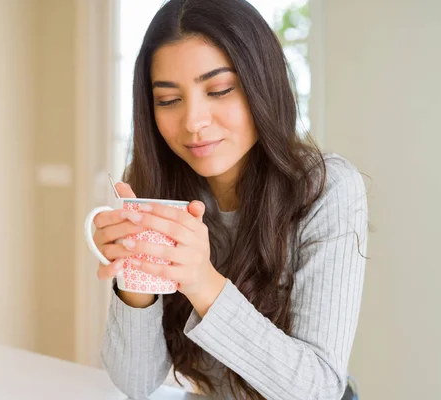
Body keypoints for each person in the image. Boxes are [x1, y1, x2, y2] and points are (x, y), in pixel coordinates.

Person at [92, 0, 368, 399]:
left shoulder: (326, 188)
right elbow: (136, 383)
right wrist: (134, 278)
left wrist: (201, 280)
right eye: (169, 100)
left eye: (219, 90)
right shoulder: (154, 187)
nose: (193, 122)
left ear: (262, 83)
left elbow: (320, 389)